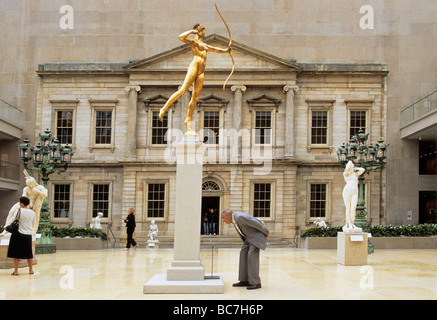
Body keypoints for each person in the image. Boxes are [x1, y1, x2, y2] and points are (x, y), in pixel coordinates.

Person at [158, 23, 231, 133]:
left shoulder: (205, 45)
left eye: (203, 30)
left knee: (195, 97)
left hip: (201, 71)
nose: (203, 32)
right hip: (194, 67)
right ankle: (163, 108)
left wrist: (226, 50)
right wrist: (192, 32)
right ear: (197, 31)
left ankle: (188, 119)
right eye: (201, 30)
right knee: (183, 90)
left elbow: (216, 49)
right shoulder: (194, 41)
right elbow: (181, 37)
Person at [221, 209, 270, 290]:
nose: (223, 221)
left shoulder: (240, 217)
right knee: (243, 254)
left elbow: (256, 223)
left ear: (228, 215)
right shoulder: (235, 219)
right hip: (249, 238)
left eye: (223, 218)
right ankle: (245, 280)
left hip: (256, 237)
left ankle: (256, 282)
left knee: (252, 257)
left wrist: (266, 232)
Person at [7, 196, 36, 276]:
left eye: (19, 202)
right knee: (29, 253)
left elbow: (11, 220)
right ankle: (31, 270)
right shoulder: (33, 212)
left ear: (22, 203)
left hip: (18, 234)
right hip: (28, 235)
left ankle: (16, 271)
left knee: (16, 253)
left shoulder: (18, 211)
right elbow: (34, 224)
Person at [342, 161, 366, 231]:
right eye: (351, 167)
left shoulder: (356, 174)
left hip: (355, 192)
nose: (352, 168)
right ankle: (348, 223)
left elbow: (362, 170)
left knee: (353, 209)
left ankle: (352, 223)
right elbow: (346, 171)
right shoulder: (346, 174)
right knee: (348, 208)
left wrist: (355, 168)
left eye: (353, 167)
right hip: (347, 191)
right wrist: (349, 167)